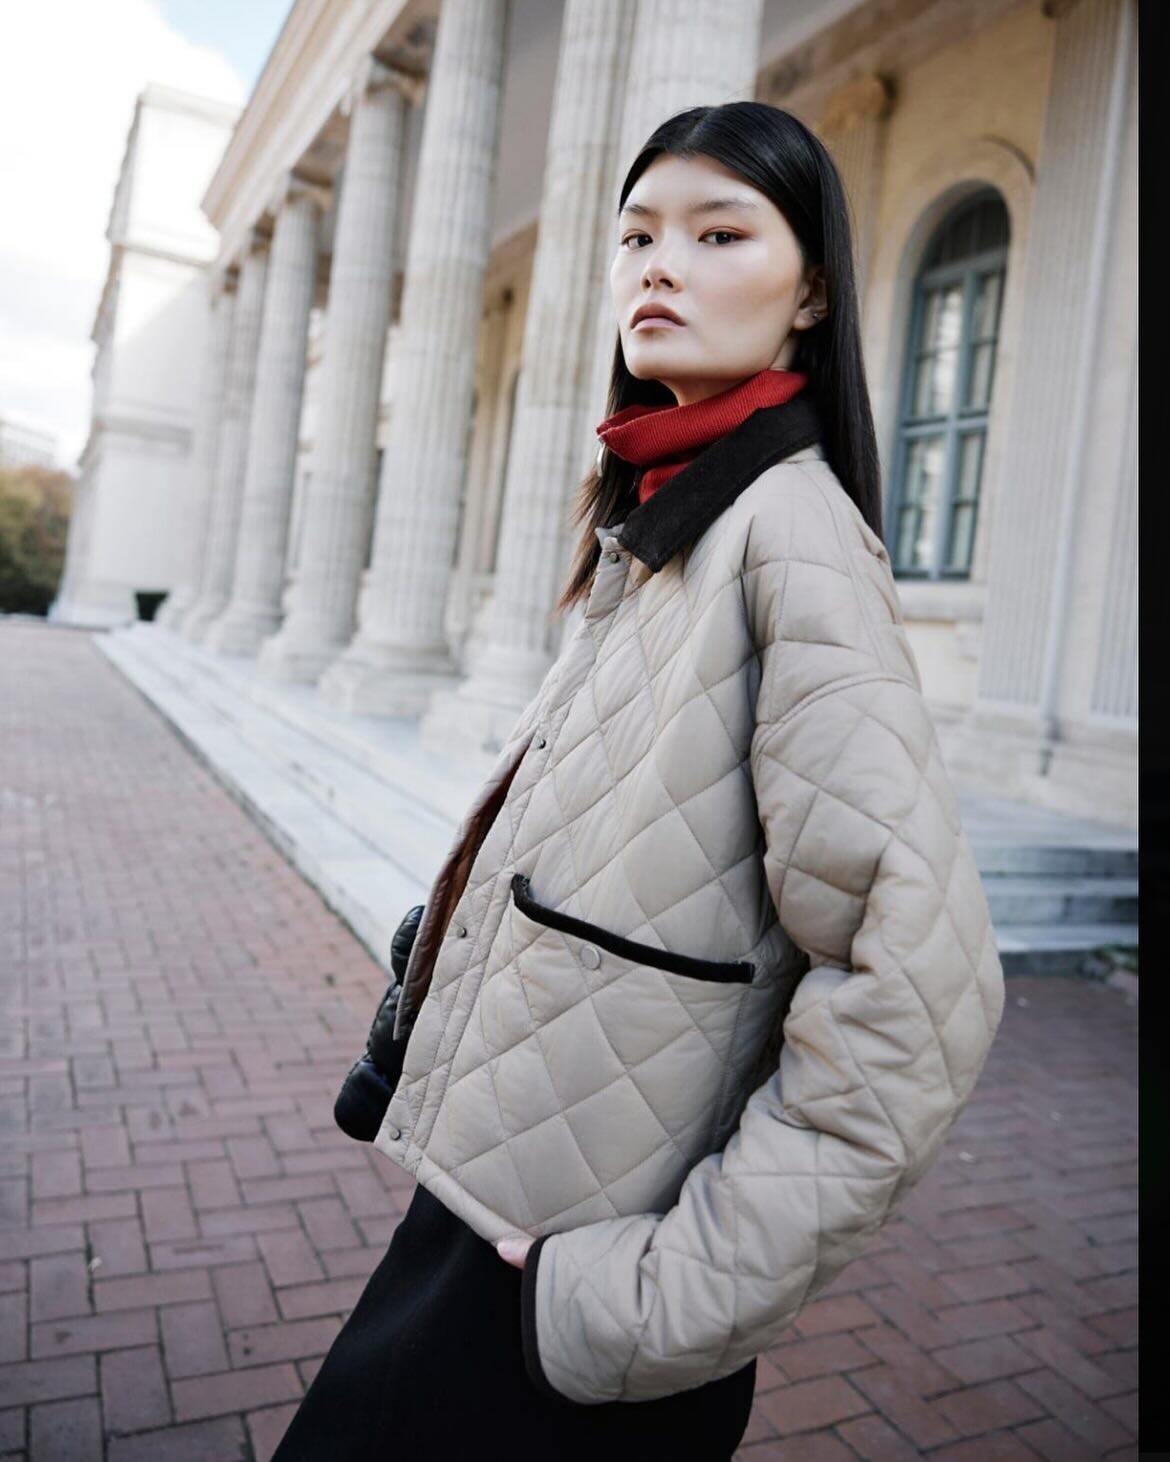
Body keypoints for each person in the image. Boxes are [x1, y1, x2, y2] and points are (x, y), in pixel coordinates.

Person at [272, 99, 1005, 1461]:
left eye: (719, 233)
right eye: (638, 235)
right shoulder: (670, 514)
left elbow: (918, 995)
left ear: (812, 293)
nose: (659, 266)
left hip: (576, 1294)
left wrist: (650, 1302)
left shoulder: (790, 539)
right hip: (507, 1204)